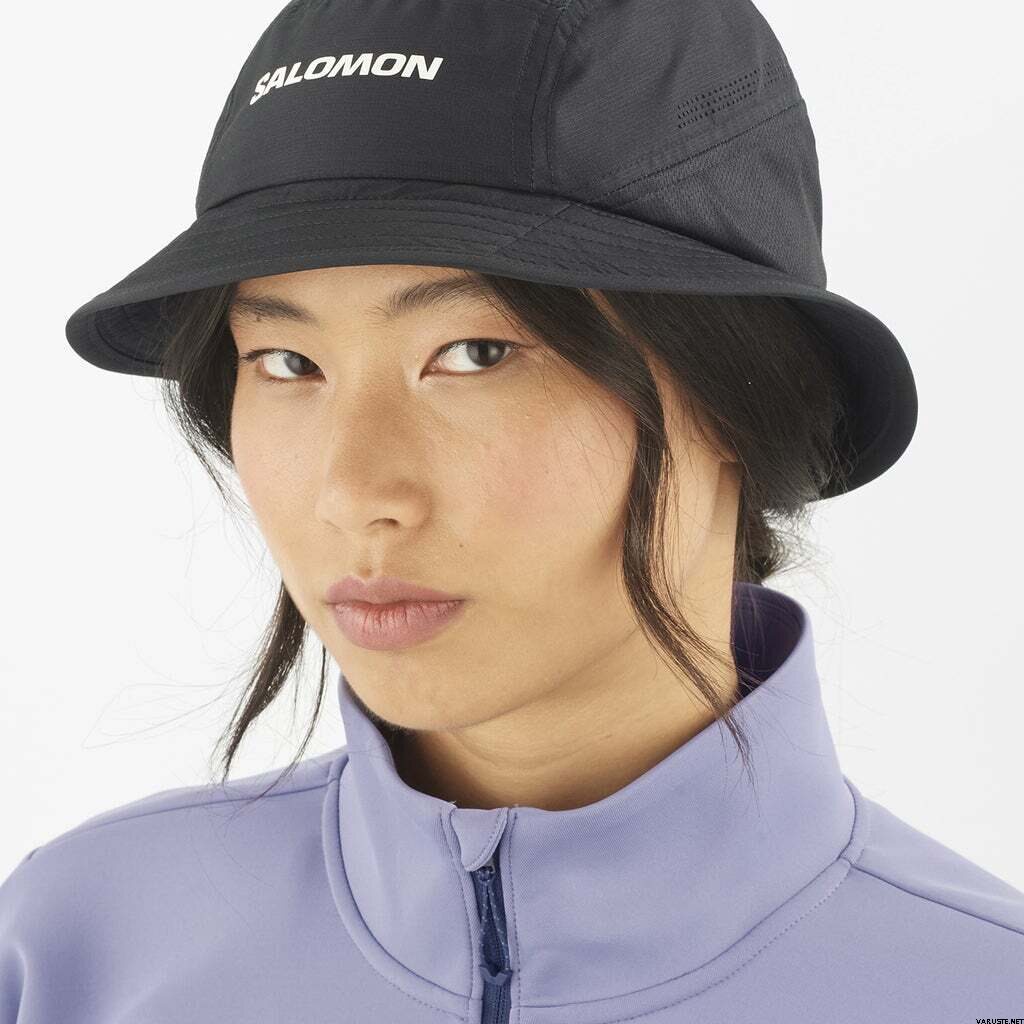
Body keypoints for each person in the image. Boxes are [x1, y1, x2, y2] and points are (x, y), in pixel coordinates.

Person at [3, 0, 1021, 1020]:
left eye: (475, 353)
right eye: (287, 361)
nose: (353, 493)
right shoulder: (74, 950)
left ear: (742, 393)